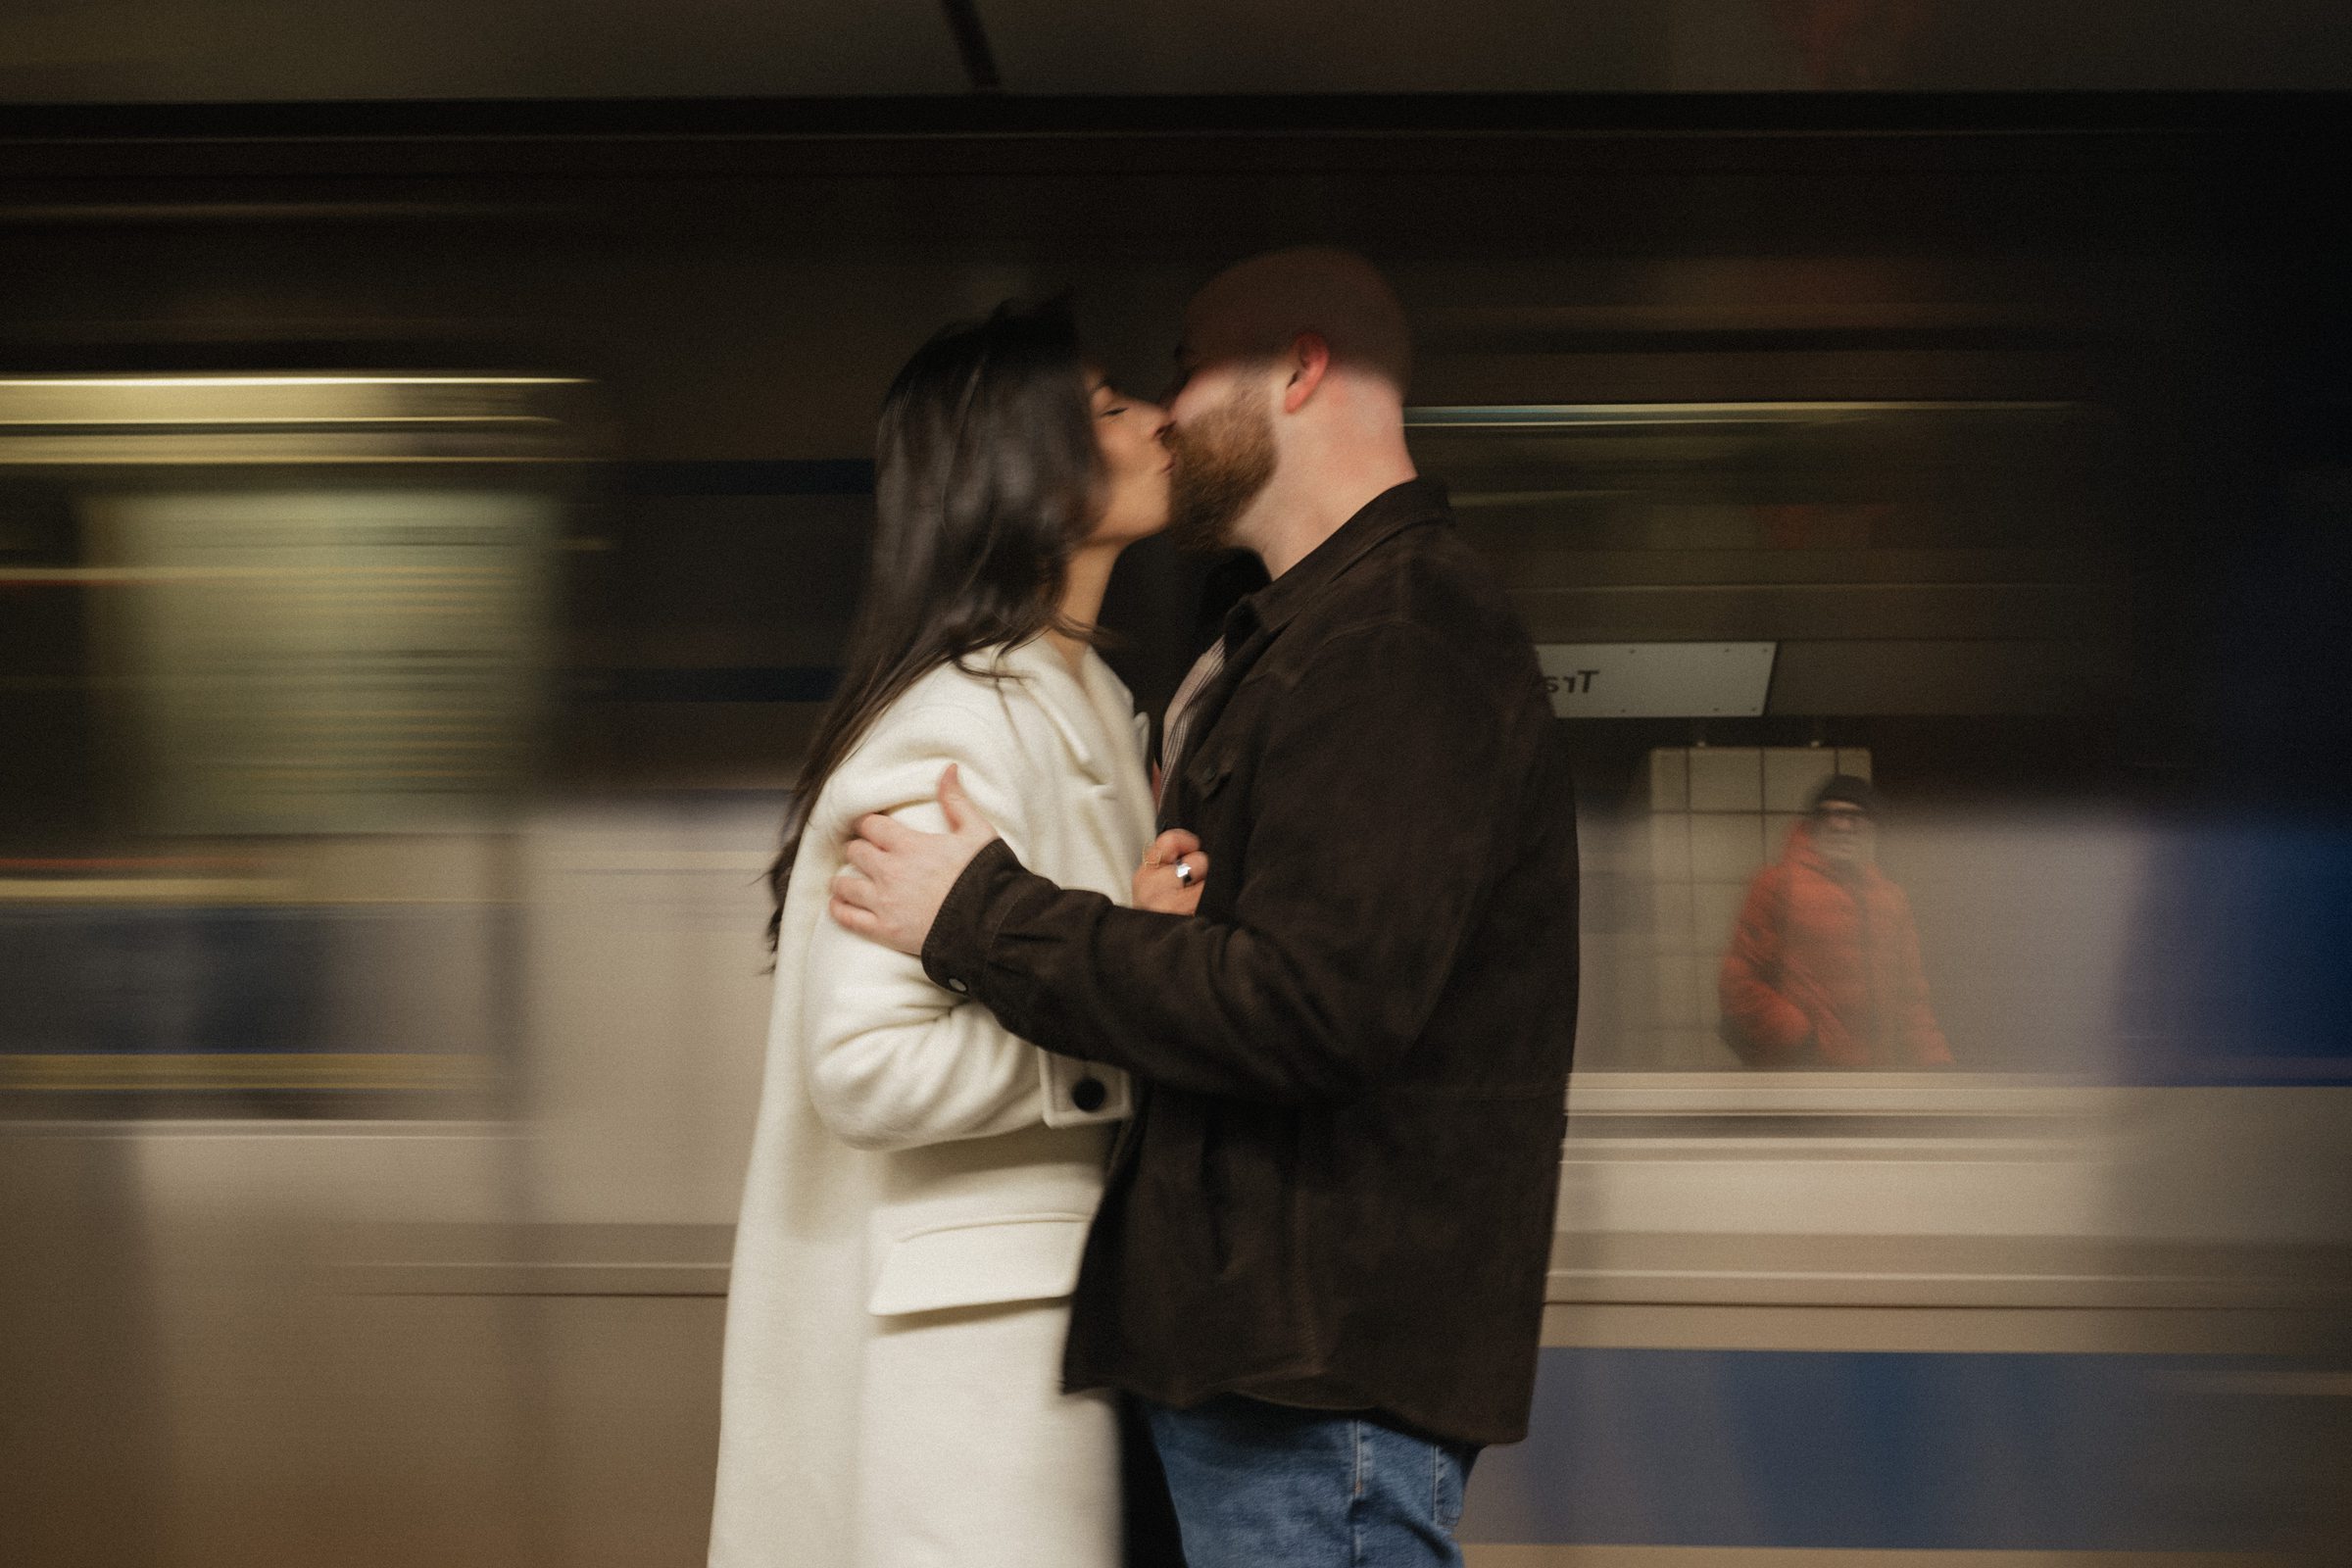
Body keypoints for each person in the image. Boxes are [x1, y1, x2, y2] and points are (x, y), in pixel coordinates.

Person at [828, 248, 1581, 1568]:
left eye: (1182, 371)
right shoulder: (1300, 637)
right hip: (1267, 1364)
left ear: (1298, 368)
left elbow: (1313, 1008)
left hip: (1316, 1373)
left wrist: (980, 913)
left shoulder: (1397, 638)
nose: (1168, 414)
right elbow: (1275, 975)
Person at [708, 300, 1185, 1568]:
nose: (1159, 421)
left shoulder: (1090, 702)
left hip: (1058, 1326)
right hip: (972, 1355)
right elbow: (866, 1067)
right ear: (1027, 469)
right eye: (1109, 408)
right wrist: (1125, 1028)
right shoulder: (953, 729)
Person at [1717, 774, 1953, 1068]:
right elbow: (1737, 983)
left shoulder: (1891, 899)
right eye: (1831, 815)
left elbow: (1911, 997)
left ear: (1870, 828)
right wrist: (1798, 1035)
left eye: (1855, 817)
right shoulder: (1777, 885)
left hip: (1875, 1076)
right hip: (1800, 1074)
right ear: (1813, 824)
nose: (1842, 826)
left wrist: (1935, 1063)